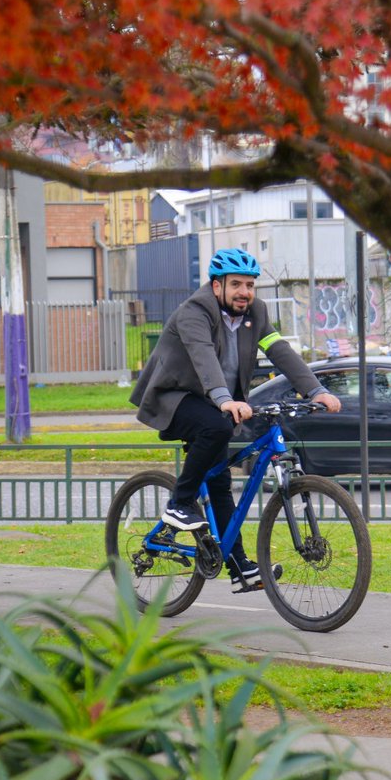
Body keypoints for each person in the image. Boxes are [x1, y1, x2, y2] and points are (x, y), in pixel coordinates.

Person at [130, 248, 341, 591]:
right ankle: (180, 504)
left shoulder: (255, 312)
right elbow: (203, 357)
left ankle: (239, 565)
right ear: (217, 286)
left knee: (220, 482)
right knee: (216, 425)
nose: (245, 292)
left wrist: (316, 390)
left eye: (250, 285)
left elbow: (279, 351)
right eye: (236, 284)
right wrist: (225, 400)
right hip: (175, 396)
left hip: (216, 402)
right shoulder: (194, 312)